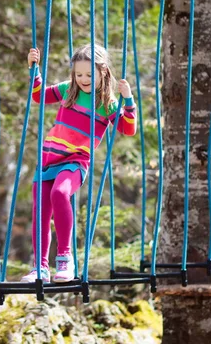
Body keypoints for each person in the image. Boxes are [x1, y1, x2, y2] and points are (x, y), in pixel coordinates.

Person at [22, 44, 137, 283]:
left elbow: (128, 129)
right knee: (41, 210)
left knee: (60, 193)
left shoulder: (107, 103)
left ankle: (65, 258)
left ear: (103, 72)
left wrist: (128, 100)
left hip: (75, 161)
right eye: (78, 74)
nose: (82, 79)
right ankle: (40, 267)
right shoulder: (68, 90)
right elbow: (38, 96)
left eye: (88, 74)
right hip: (48, 157)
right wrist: (35, 70)